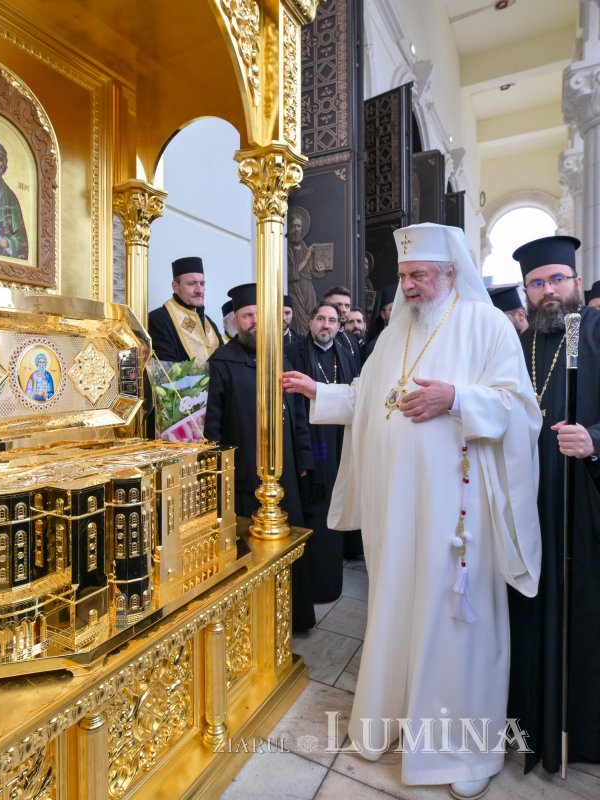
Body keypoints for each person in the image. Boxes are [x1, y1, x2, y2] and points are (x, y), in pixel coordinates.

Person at [283, 222, 541, 799]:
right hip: (398, 511)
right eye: (403, 276)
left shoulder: (487, 325)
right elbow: (373, 398)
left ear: (449, 272)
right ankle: (393, 717)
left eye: (418, 275)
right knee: (397, 606)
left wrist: (455, 398)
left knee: (455, 624)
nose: (409, 287)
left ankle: (464, 748)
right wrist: (319, 393)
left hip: (459, 513)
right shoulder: (394, 331)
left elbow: (520, 410)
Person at [508, 234, 600, 773]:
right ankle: (530, 719)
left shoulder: (592, 331)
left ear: (575, 281)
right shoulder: (520, 345)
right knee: (528, 607)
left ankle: (582, 732)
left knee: (581, 613)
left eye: (556, 280)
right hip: (526, 503)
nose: (547, 291)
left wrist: (594, 438)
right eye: (537, 283)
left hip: (581, 503)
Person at [205, 283, 316, 631]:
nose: (254, 321)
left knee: (290, 545)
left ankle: (293, 620)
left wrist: (304, 459)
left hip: (284, 473)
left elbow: (298, 414)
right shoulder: (221, 362)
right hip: (243, 477)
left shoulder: (282, 357)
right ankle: (255, 627)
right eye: (246, 315)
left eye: (258, 315)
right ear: (236, 321)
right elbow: (213, 428)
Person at [286, 301, 357, 602]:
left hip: (341, 445)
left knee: (335, 511)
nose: (325, 325)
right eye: (320, 319)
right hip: (311, 447)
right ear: (310, 323)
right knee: (313, 516)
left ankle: (331, 585)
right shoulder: (295, 354)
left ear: (339, 327)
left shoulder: (347, 355)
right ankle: (310, 589)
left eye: (331, 320)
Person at [147, 256, 223, 365]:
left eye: (202, 284)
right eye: (191, 284)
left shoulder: (209, 323)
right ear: (175, 287)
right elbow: (167, 373)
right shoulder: (157, 320)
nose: (199, 290)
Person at [287, 207, 333, 335]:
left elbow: (311, 271)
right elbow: (290, 273)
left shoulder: (303, 245)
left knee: (310, 321)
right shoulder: (285, 247)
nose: (296, 229)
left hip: (308, 291)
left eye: (299, 226)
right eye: (294, 226)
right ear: (289, 227)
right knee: (298, 323)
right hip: (295, 292)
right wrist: (307, 258)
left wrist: (319, 269)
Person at [364, 282, 396, 360]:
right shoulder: (374, 346)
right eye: (392, 309)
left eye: (399, 308)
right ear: (383, 314)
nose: (396, 312)